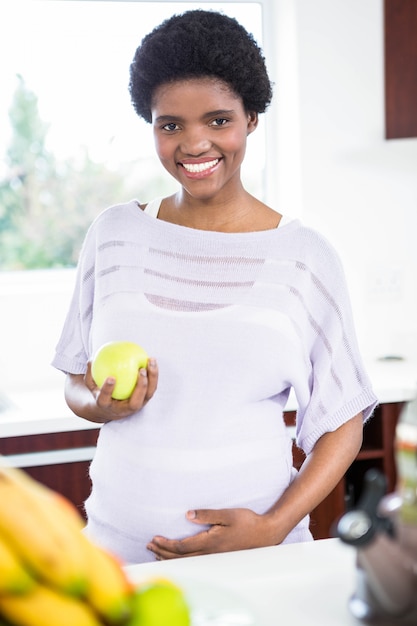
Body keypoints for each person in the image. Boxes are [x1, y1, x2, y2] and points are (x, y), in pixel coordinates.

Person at [52, 9, 378, 565]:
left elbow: (343, 420)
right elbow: (76, 382)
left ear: (251, 118)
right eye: (170, 125)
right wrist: (100, 407)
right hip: (115, 558)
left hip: (258, 559)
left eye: (218, 120)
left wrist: (273, 526)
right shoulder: (113, 235)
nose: (194, 144)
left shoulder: (303, 257)